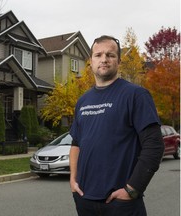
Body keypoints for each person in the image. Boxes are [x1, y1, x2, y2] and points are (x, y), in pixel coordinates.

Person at [69, 35, 164, 216]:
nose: (104, 59)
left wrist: (132, 189)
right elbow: (76, 144)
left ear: (118, 61)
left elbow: (154, 145)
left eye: (110, 55)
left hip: (121, 204)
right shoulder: (83, 101)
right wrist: (73, 180)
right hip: (85, 200)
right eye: (98, 55)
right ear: (91, 61)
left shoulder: (136, 95)